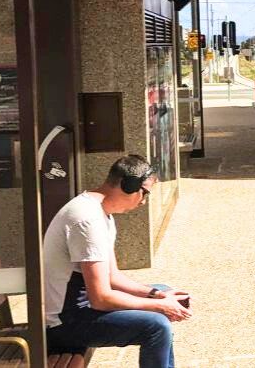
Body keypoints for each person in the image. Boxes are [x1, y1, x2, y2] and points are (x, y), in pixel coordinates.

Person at [43, 155, 190, 368]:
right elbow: (101, 298)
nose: (143, 201)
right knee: (156, 326)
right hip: (64, 323)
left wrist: (157, 296)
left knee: (164, 292)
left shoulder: (100, 213)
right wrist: (158, 306)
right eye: (144, 192)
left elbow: (113, 277)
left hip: (81, 310)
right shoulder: (87, 220)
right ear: (127, 185)